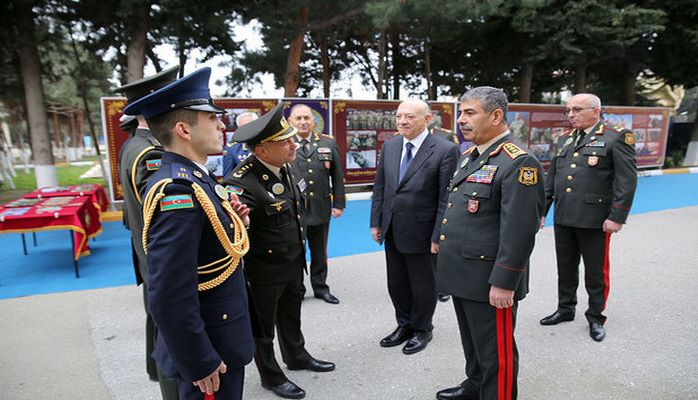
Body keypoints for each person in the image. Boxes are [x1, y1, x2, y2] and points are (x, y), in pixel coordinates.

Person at [123, 67, 255, 400]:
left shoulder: (195, 177)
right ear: (183, 129)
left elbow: (208, 244)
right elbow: (168, 292)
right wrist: (199, 361)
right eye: (212, 119)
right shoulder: (176, 193)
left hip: (220, 332)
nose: (222, 125)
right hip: (210, 349)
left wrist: (233, 222)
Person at [435, 87, 545, 400]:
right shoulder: (472, 155)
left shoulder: (518, 163)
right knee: (473, 343)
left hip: (490, 282)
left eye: (470, 113)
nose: (460, 120)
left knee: (497, 354)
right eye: (461, 113)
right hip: (464, 274)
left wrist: (504, 283)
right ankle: (475, 386)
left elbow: (520, 231)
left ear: (496, 116)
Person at [223, 103, 335, 399]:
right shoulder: (241, 182)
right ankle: (271, 376)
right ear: (261, 151)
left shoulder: (285, 166)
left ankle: (296, 355)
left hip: (292, 261)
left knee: (291, 313)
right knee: (264, 328)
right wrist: (242, 219)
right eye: (284, 141)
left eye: (290, 138)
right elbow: (235, 225)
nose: (292, 144)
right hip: (263, 271)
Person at [540, 93, 637, 342]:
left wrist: (617, 217)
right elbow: (552, 179)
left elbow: (626, 181)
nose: (570, 114)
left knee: (596, 271)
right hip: (564, 216)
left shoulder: (616, 137)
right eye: (568, 110)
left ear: (595, 111)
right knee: (566, 266)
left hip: (595, 218)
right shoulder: (565, 139)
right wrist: (542, 211)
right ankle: (565, 308)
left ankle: (595, 316)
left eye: (577, 109)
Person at [370, 99, 459, 355]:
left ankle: (422, 328)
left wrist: (438, 235)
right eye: (399, 117)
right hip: (392, 228)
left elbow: (446, 197)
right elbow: (381, 188)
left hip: (423, 231)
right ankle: (404, 324)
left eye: (409, 117)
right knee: (396, 282)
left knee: (423, 284)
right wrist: (376, 221)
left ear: (427, 119)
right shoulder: (390, 146)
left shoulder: (444, 150)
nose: (402, 122)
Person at [114, 65, 180, 399]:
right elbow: (161, 217)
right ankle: (166, 379)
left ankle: (155, 369)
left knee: (155, 314)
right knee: (167, 325)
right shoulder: (152, 153)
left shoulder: (133, 145)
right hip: (156, 252)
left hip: (144, 249)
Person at [288, 104, 345, 304]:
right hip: (294, 210)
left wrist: (339, 203)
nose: (303, 122)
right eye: (298, 118)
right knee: (296, 251)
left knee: (320, 251)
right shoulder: (285, 143)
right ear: (291, 122)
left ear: (313, 121)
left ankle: (321, 288)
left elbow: (337, 176)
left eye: (307, 118)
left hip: (320, 208)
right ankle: (297, 289)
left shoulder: (328, 143)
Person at [222, 111, 258, 178]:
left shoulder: (269, 144)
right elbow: (228, 178)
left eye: (250, 126)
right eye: (243, 127)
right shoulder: (232, 149)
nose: (247, 130)